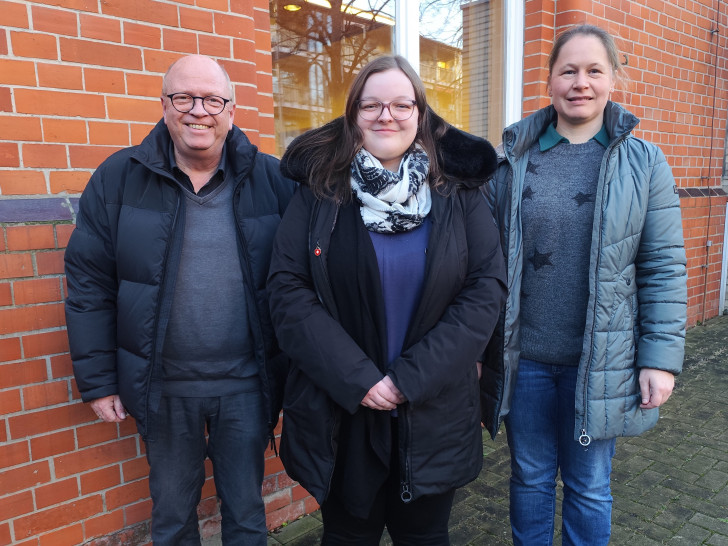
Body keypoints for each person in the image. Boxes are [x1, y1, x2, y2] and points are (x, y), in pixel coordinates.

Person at [266, 55, 507, 545]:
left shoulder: (459, 194)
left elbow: (485, 290)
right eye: (372, 105)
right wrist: (360, 380)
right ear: (353, 114)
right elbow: (287, 291)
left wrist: (407, 380)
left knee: (424, 536)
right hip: (344, 412)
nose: (386, 116)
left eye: (401, 104)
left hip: (433, 409)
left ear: (420, 114)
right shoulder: (321, 191)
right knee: (347, 534)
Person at [64, 55, 295, 545]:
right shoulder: (118, 178)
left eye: (212, 99)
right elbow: (89, 283)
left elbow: (304, 281)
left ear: (231, 110)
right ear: (164, 105)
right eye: (183, 98)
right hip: (162, 388)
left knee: (247, 516)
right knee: (171, 521)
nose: (198, 111)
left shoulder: (273, 180)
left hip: (248, 386)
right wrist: (99, 381)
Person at [485, 24, 688, 545]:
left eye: (594, 70)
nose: (581, 82)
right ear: (549, 80)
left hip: (599, 363)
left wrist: (659, 360)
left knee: (589, 486)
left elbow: (664, 266)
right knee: (529, 478)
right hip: (524, 360)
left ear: (613, 78)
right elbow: (484, 264)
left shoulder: (643, 164)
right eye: (568, 70)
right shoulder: (513, 159)